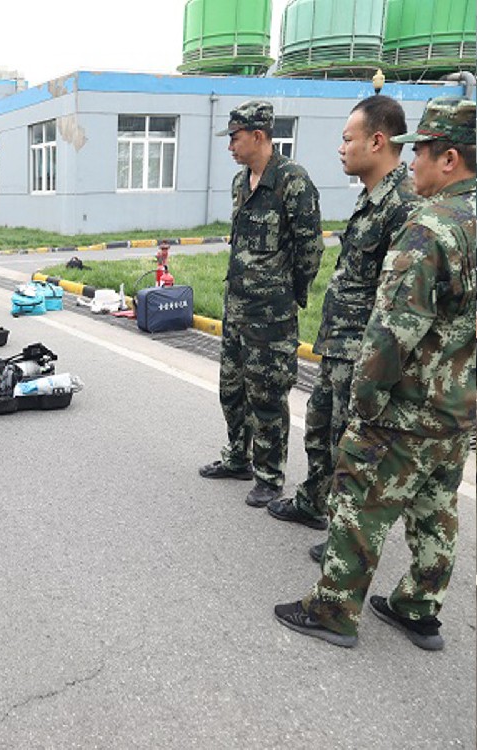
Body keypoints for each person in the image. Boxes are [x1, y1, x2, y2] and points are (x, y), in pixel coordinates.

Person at [275, 97, 476, 650]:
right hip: (458, 411)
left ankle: (334, 609)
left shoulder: (433, 226)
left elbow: (393, 330)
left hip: (407, 406)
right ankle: (418, 606)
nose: (415, 163)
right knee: (436, 509)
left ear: (451, 158)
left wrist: (364, 399)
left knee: (358, 501)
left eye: (424, 153)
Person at [267, 96, 418, 542]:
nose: (340, 148)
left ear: (377, 141)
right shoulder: (371, 199)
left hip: (362, 355)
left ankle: (348, 542)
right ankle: (314, 502)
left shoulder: (402, 207)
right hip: (338, 347)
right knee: (320, 428)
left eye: (347, 139)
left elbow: (398, 300)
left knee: (350, 450)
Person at [198, 101, 323, 507]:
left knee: (267, 397)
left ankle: (270, 477)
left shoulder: (292, 181)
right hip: (236, 310)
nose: (230, 146)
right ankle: (238, 456)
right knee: (231, 390)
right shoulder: (240, 182)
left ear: (258, 136)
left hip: (271, 317)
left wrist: (289, 294)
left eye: (234, 138)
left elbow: (310, 250)